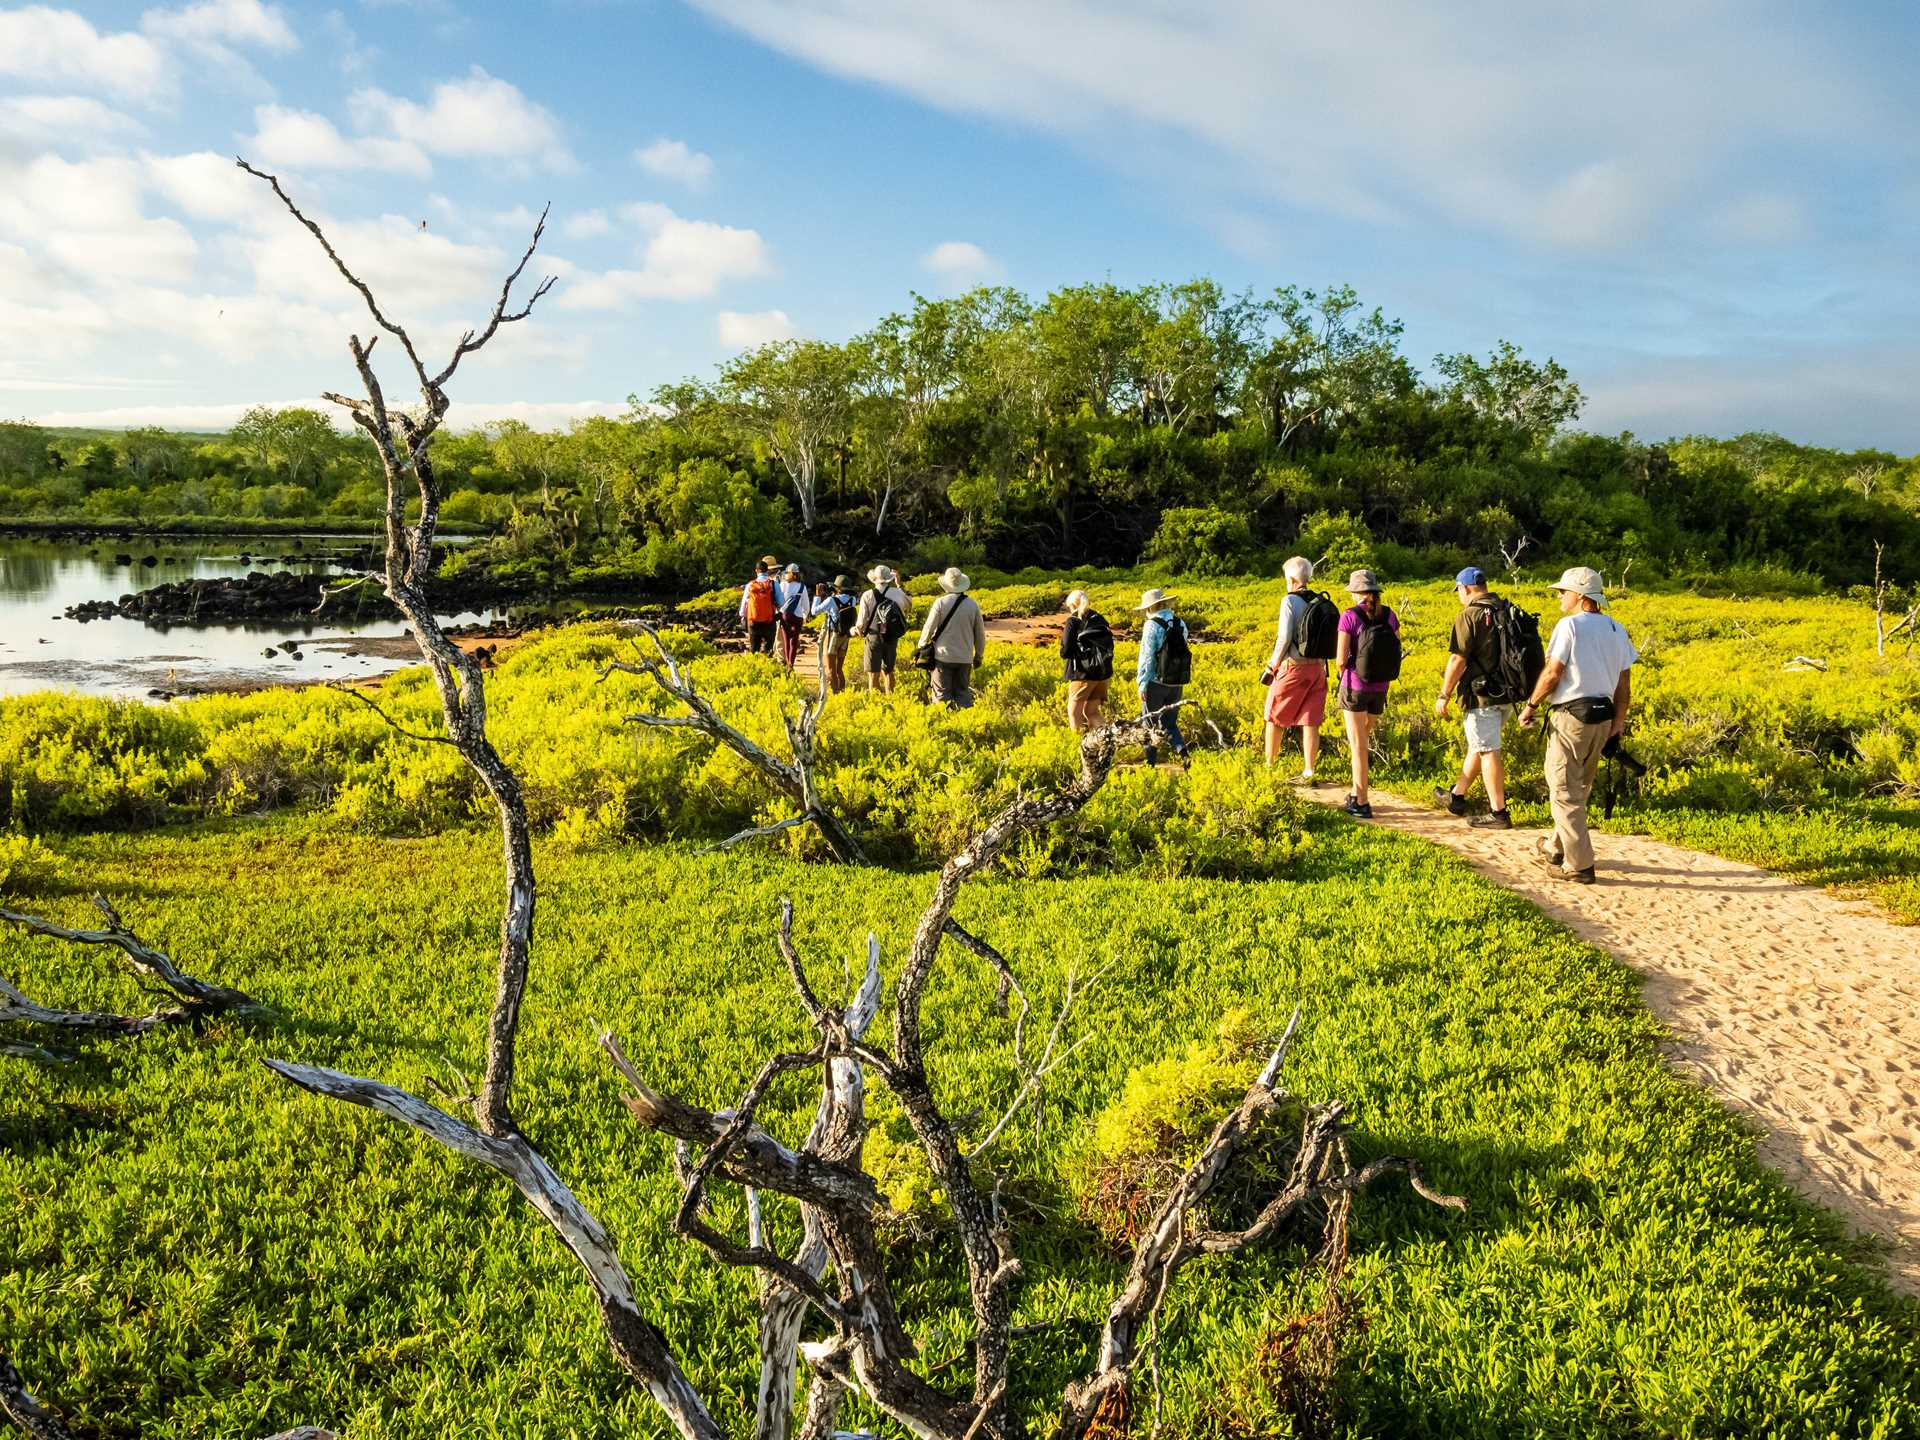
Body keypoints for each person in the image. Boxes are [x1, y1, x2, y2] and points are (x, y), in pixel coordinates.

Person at [1518, 566, 1638, 883]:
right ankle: (1555, 846)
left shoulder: (1569, 626)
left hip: (1572, 715)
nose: (1559, 596)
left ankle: (1580, 865)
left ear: (1580, 596)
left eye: (1563, 591)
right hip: (1604, 717)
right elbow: (1623, 685)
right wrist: (1619, 723)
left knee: (1563, 790)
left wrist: (1531, 705)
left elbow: (1553, 673)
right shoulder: (1616, 629)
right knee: (1580, 786)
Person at [1433, 566, 1525, 829]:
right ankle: (1457, 796)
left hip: (1481, 696)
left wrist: (1444, 694)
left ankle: (1499, 813)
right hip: (1508, 693)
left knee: (1487, 750)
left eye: (1458, 591)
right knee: (1481, 744)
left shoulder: (1469, 615)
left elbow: (1457, 658)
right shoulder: (1505, 608)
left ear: (1465, 589)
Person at [1333, 569, 1401, 818]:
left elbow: (1341, 659)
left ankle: (1361, 802)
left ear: (1355, 593)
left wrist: (1344, 675)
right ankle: (1355, 791)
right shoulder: (1390, 615)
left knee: (1357, 745)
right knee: (1364, 739)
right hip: (1381, 687)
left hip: (1355, 686)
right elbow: (1395, 649)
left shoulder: (1349, 617)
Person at [1261, 556, 1336, 782]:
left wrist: (1271, 666)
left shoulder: (1289, 601)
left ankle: (1269, 767)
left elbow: (1284, 639)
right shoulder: (1320, 600)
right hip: (1318, 670)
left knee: (1274, 716)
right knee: (1310, 721)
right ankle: (1309, 770)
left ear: (1292, 579)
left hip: (1293, 669)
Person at [1134, 587, 1191, 768]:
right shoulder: (1180, 623)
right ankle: (1183, 753)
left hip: (1156, 683)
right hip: (1177, 681)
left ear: (1149, 607)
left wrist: (1142, 684)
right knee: (1170, 723)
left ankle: (1149, 763)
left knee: (1149, 722)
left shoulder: (1151, 625)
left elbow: (1147, 658)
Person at [918, 566, 987, 708]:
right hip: (965, 658)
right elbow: (980, 634)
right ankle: (964, 726)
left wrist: (922, 647)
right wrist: (979, 655)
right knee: (963, 695)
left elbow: (928, 628)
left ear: (946, 586)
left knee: (941, 697)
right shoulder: (972, 605)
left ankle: (945, 726)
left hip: (943, 657)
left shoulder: (940, 603)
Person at [1060, 589, 1115, 732]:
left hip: (1083, 674)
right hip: (1103, 674)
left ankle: (1077, 747)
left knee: (1073, 713)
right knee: (1092, 712)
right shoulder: (1099, 618)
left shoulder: (1073, 620)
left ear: (1072, 605)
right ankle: (1105, 743)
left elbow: (1066, 649)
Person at [852, 564, 912, 693]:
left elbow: (861, 622)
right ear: (889, 579)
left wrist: (855, 630)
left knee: (873, 673)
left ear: (875, 579)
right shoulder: (897, 593)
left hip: (873, 636)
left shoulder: (867, 595)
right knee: (889, 671)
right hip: (891, 636)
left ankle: (875, 701)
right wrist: (900, 585)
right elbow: (909, 603)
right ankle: (891, 698)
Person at [814, 576, 858, 694]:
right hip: (845, 636)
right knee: (839, 669)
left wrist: (818, 596)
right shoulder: (852, 600)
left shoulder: (831, 600)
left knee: (831, 669)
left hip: (833, 635)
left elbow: (814, 611)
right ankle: (842, 692)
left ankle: (835, 693)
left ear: (837, 588)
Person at [739, 556, 779, 656]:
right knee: (768, 650)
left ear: (756, 571)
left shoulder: (750, 585)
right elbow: (781, 602)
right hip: (769, 620)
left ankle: (755, 668)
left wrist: (743, 616)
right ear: (767, 570)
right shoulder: (773, 584)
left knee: (754, 649)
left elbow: (744, 604)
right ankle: (768, 669)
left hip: (753, 621)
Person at [775, 563, 811, 672]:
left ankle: (787, 664)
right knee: (794, 642)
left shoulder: (783, 585)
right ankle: (791, 664)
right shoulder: (802, 587)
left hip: (785, 616)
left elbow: (779, 601)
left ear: (789, 573)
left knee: (786, 640)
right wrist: (805, 616)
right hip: (798, 618)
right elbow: (806, 605)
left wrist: (778, 612)